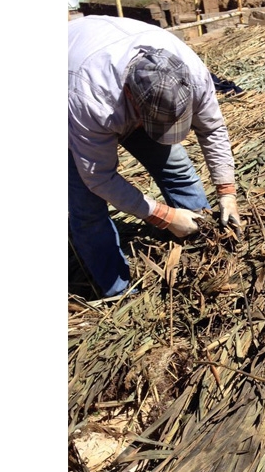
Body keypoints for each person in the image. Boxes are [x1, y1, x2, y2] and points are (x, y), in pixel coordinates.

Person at [68, 15, 242, 298]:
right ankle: (118, 292)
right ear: (133, 99)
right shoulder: (91, 99)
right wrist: (163, 216)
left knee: (176, 166)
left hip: (115, 74)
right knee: (87, 208)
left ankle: (202, 236)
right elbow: (99, 178)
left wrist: (227, 191)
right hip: (72, 89)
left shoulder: (192, 73)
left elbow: (212, 129)